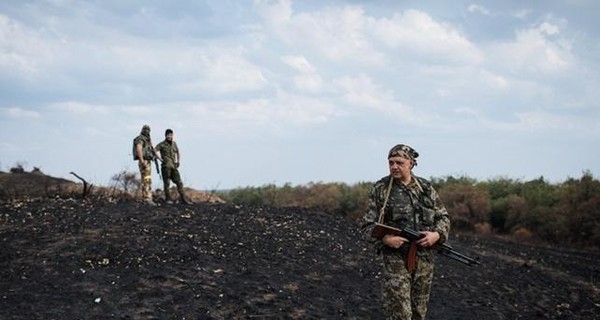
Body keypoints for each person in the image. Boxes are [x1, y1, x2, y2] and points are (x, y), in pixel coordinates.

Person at [360, 144, 450, 320]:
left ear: (411, 164)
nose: (394, 166)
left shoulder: (425, 188)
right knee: (400, 313)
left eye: (399, 162)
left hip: (424, 259)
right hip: (395, 259)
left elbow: (443, 217)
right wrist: (385, 239)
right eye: (391, 162)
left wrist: (436, 235)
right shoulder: (381, 189)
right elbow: (367, 226)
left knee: (418, 313)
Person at [155, 128, 192, 204]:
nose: (169, 136)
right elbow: (154, 150)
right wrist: (160, 159)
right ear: (165, 135)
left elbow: (177, 152)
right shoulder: (162, 144)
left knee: (179, 182)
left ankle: (183, 199)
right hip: (166, 166)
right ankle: (168, 199)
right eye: (168, 135)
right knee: (167, 182)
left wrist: (178, 161)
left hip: (173, 166)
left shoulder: (174, 143)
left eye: (171, 135)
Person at [133, 124, 157, 206]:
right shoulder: (141, 139)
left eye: (148, 130)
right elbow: (139, 148)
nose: (147, 131)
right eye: (146, 129)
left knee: (146, 179)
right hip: (144, 161)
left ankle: (146, 198)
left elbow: (152, 149)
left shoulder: (147, 139)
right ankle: (147, 199)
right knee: (146, 179)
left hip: (147, 161)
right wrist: (142, 160)